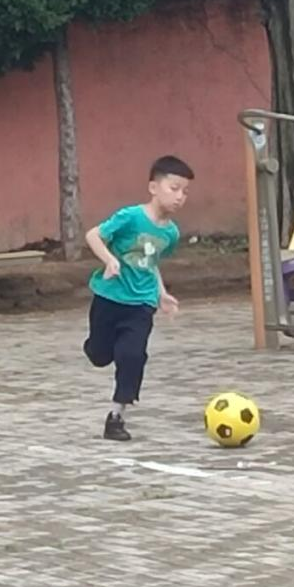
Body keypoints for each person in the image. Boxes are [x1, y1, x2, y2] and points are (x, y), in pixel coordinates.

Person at [83, 155, 194, 441]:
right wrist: (109, 260)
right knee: (99, 355)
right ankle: (96, 347)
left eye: (185, 191)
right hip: (109, 297)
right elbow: (93, 235)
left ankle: (116, 416)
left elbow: (151, 262)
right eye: (174, 188)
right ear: (153, 188)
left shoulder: (171, 233)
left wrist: (161, 294)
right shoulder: (130, 217)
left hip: (141, 304)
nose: (180, 196)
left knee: (132, 355)